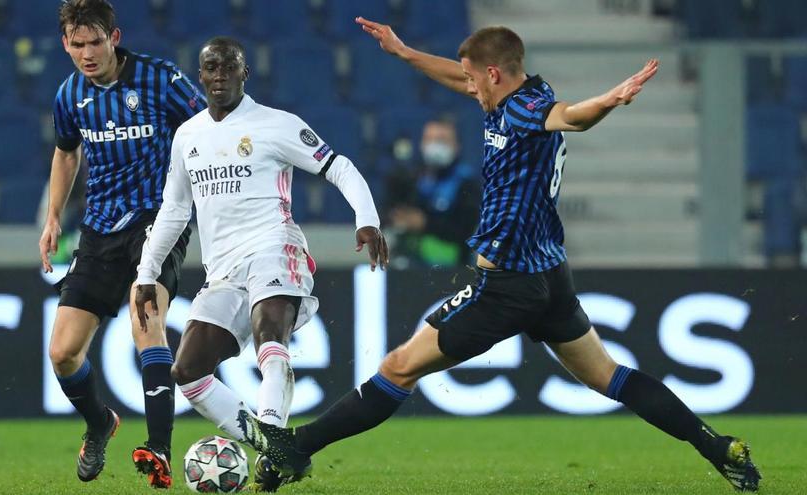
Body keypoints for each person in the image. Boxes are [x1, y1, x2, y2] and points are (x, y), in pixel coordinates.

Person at [236, 19, 761, 493]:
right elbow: (466, 80)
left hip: (506, 285)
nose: (466, 86)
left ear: (493, 73)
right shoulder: (513, 94)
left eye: (472, 78)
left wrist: (608, 99)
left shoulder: (530, 108)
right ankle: (718, 447)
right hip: (549, 277)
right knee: (608, 376)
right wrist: (404, 53)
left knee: (397, 368)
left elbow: (571, 118)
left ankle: (294, 447)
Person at [133, 37, 388, 492]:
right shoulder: (187, 136)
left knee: (270, 336)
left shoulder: (276, 125)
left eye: (229, 68)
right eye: (211, 69)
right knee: (187, 372)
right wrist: (146, 273)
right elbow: (173, 212)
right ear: (201, 75)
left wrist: (366, 220)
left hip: (275, 245)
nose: (219, 77)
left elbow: (340, 167)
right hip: (223, 271)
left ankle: (272, 452)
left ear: (243, 73)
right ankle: (276, 447)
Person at [38, 0, 206, 488]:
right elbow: (66, 154)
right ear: (65, 44)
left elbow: (211, 128)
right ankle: (99, 422)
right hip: (99, 229)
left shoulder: (162, 79)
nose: (87, 54)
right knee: (63, 353)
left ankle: (160, 449)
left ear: (114, 37)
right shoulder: (70, 94)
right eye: (76, 44)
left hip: (159, 220)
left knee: (145, 317)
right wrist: (53, 218)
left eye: (94, 42)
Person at [384, 117, 480, 268]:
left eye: (442, 140)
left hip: (452, 270)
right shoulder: (411, 178)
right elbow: (386, 216)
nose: (435, 145)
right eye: (429, 139)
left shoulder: (466, 183)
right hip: (408, 267)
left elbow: (466, 232)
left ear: (457, 146)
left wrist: (425, 223)